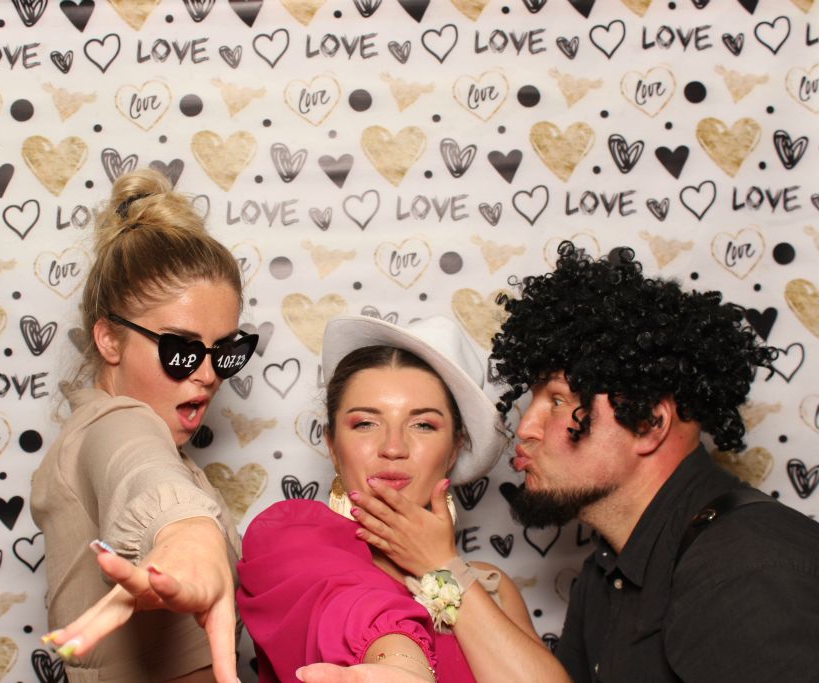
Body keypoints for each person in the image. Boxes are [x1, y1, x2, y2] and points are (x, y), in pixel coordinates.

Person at [485, 242, 819, 681]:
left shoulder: (748, 569)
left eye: (559, 400)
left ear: (648, 423)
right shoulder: (606, 568)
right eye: (532, 400)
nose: (526, 427)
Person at [237, 315, 571, 683]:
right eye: (365, 423)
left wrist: (443, 565)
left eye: (423, 424)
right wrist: (401, 664)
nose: (393, 447)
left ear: (454, 449)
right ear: (332, 445)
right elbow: (348, 605)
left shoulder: (491, 587)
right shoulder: (287, 539)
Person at [30, 169, 257, 683]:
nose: (207, 374)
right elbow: (135, 464)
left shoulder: (166, 448)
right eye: (181, 349)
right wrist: (186, 528)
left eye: (225, 351)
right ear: (109, 339)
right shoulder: (112, 424)